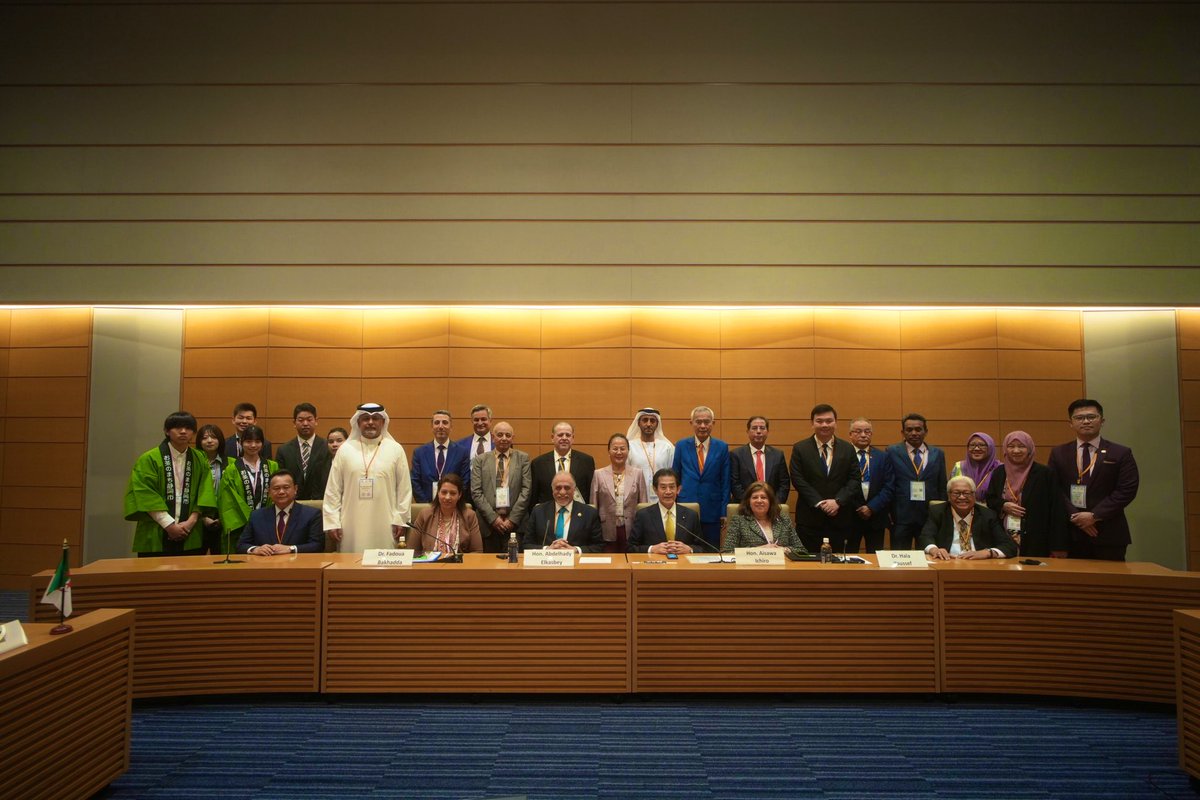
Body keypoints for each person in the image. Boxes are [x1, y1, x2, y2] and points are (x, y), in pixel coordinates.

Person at [1046, 399, 1140, 561]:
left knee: (1110, 577)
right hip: (1070, 534)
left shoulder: (1120, 453)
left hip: (1108, 533)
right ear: (1071, 423)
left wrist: (1094, 515)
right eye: (1079, 418)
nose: (1086, 421)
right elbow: (1054, 488)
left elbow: (1127, 489)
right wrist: (1075, 516)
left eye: (1091, 417)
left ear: (1102, 421)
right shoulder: (1059, 453)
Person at [123, 410, 217, 556]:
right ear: (167, 431)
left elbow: (205, 492)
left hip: (190, 532)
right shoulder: (149, 458)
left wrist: (191, 522)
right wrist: (169, 525)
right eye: (177, 427)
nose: (183, 431)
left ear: (193, 432)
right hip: (156, 530)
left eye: (188, 428)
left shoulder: (200, 459)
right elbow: (144, 493)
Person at [322, 403, 413, 552]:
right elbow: (333, 489)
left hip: (386, 522)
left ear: (383, 422)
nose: (370, 422)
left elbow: (404, 489)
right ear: (358, 422)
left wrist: (401, 520)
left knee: (383, 562)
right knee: (350, 562)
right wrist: (332, 522)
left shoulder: (395, 449)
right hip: (350, 524)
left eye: (375, 418)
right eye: (365, 418)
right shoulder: (345, 450)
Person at [789, 404, 861, 553]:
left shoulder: (848, 448)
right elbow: (798, 479)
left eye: (829, 421)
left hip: (841, 518)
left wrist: (837, 501)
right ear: (812, 423)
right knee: (807, 563)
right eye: (819, 421)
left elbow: (854, 479)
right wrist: (820, 502)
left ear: (836, 422)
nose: (824, 425)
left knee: (840, 562)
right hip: (810, 519)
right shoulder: (800, 448)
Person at [984, 431, 1068, 558]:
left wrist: (1058, 546)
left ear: (1030, 449)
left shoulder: (1044, 473)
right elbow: (991, 499)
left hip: (1036, 539)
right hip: (1003, 537)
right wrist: (1003, 505)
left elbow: (1057, 510)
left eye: (1021, 446)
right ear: (1005, 449)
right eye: (1011, 446)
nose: (1016, 450)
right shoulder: (999, 472)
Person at [672, 405, 730, 548]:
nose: (702, 426)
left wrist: (724, 511)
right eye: (698, 422)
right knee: (685, 548)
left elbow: (725, 482)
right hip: (686, 505)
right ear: (691, 423)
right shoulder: (681, 445)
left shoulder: (722, 447)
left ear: (713, 423)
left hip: (713, 509)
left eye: (706, 422)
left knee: (711, 550)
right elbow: (675, 477)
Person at [887, 413, 947, 550]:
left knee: (928, 555)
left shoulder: (938, 453)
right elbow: (888, 483)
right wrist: (888, 512)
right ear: (902, 432)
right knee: (900, 557)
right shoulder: (892, 451)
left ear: (926, 431)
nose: (914, 433)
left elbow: (942, 484)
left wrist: (942, 512)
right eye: (909, 430)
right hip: (900, 515)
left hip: (929, 515)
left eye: (918, 429)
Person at [920, 476, 1017, 560]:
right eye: (956, 493)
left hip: (978, 564)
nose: (962, 497)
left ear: (974, 495)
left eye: (966, 493)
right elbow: (925, 537)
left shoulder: (988, 515)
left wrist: (988, 553)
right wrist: (934, 550)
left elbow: (1009, 546)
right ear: (948, 495)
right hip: (947, 561)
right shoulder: (938, 512)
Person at [470, 421, 532, 552]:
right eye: (500, 435)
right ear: (493, 437)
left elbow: (526, 491)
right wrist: (494, 519)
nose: (504, 438)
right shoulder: (480, 460)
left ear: (512, 438)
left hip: (516, 524)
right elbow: (476, 492)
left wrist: (512, 520)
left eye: (508, 435)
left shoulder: (523, 458)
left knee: (515, 562)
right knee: (487, 563)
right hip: (487, 524)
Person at [216, 424, 278, 555]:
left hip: (268, 524)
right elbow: (228, 500)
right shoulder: (231, 470)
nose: (253, 445)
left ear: (262, 443)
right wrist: (252, 520)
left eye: (257, 441)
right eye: (248, 441)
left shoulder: (272, 466)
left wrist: (264, 518)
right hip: (240, 526)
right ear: (241, 442)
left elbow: (278, 495)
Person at [237, 470, 324, 555]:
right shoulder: (256, 516)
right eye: (276, 488)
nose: (281, 492)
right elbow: (241, 545)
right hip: (266, 563)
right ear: (269, 492)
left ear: (295, 489)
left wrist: (291, 549)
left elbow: (318, 545)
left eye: (286, 487)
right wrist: (256, 549)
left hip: (298, 563)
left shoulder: (312, 514)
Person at [590, 433, 647, 553]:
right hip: (606, 529)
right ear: (609, 451)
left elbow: (643, 505)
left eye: (622, 448)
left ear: (628, 451)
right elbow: (593, 506)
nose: (619, 452)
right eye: (615, 449)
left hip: (632, 528)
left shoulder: (638, 474)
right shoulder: (598, 474)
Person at [521, 472, 604, 553]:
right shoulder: (538, 512)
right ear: (552, 489)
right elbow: (526, 545)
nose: (562, 492)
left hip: (576, 561)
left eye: (567, 488)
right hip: (546, 561)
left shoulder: (589, 513)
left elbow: (598, 546)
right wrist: (546, 549)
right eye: (558, 488)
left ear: (574, 490)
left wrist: (576, 550)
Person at [628, 468, 704, 555]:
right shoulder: (643, 515)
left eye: (672, 487)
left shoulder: (691, 515)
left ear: (678, 489)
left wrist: (690, 549)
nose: (668, 492)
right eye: (663, 487)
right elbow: (630, 548)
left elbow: (702, 548)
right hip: (655, 562)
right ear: (655, 490)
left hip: (683, 562)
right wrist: (652, 549)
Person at [847, 417, 894, 554]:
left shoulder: (883, 457)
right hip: (850, 515)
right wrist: (857, 507)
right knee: (848, 557)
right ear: (850, 434)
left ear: (871, 434)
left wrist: (871, 507)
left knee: (876, 557)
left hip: (876, 516)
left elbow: (889, 486)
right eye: (858, 431)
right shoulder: (843, 455)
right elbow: (839, 484)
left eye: (867, 431)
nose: (863, 435)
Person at [407, 474, 483, 557]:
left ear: (459, 495)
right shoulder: (424, 515)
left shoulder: (470, 516)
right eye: (444, 492)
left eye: (453, 493)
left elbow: (477, 552)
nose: (447, 497)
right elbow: (412, 551)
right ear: (438, 493)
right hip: (430, 564)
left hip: (460, 563)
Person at [722, 482, 805, 552]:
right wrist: (758, 550)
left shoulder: (784, 520)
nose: (759, 501)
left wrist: (784, 550)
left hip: (781, 565)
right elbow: (727, 552)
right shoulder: (739, 521)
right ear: (748, 502)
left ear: (770, 501)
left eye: (763, 497)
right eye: (755, 497)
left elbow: (801, 550)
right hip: (751, 565)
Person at [274, 402, 333, 501]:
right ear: (294, 423)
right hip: (293, 502)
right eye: (301, 420)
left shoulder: (327, 447)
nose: (305, 423)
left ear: (316, 421)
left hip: (321, 502)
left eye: (309, 420)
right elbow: (280, 479)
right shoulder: (284, 450)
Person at [529, 421, 595, 507]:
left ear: (573, 438)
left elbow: (590, 493)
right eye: (560, 435)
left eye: (568, 435)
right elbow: (534, 496)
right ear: (552, 438)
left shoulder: (586, 461)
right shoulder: (538, 463)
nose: (564, 438)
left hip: (578, 512)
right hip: (548, 512)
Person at [410, 409, 470, 503]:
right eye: (437, 422)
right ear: (432, 427)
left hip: (453, 506)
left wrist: (453, 503)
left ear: (451, 427)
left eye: (445, 423)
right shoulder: (419, 453)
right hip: (426, 505)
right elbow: (415, 482)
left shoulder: (462, 452)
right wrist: (427, 505)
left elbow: (465, 482)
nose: (441, 426)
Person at [730, 415, 791, 505]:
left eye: (762, 428)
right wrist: (751, 504)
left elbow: (784, 483)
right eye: (754, 428)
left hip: (772, 507)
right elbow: (734, 484)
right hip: (744, 506)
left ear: (767, 431)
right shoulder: (736, 454)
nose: (758, 431)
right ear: (747, 431)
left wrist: (774, 504)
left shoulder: (778, 455)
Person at [625, 407, 675, 501]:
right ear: (638, 423)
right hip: (636, 497)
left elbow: (672, 473)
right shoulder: (629, 446)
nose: (648, 424)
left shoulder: (667, 447)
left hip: (662, 498)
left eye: (652, 421)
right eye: (645, 420)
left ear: (657, 424)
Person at [195, 423, 229, 556]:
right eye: (204, 438)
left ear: (220, 440)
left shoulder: (230, 463)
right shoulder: (193, 463)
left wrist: (222, 518)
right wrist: (202, 517)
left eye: (213, 437)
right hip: (196, 519)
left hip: (222, 519)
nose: (209, 441)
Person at [950, 432, 1003, 497]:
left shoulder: (1000, 468)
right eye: (972, 445)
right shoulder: (959, 466)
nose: (976, 449)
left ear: (990, 447)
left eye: (982, 445)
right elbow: (951, 492)